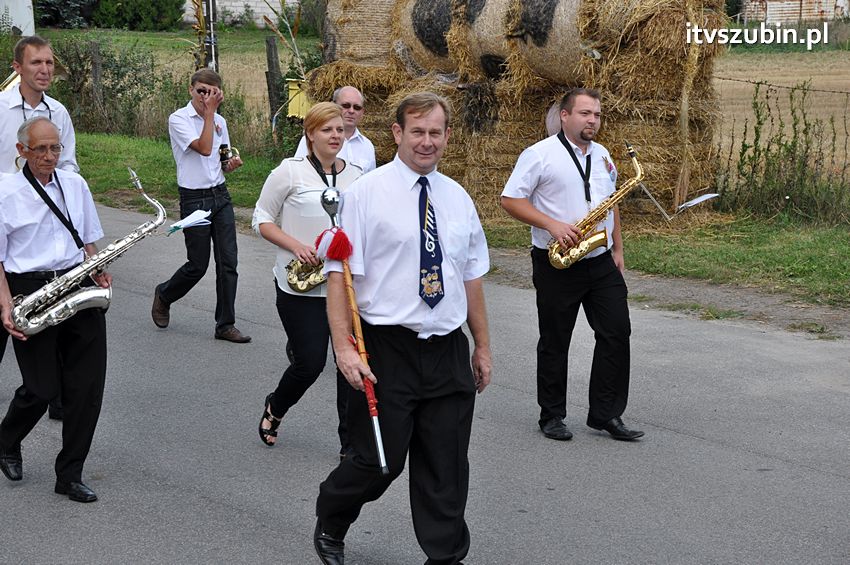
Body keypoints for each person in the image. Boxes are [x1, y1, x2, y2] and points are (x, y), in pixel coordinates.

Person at [313, 92, 492, 565]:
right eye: (418, 131)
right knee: (378, 460)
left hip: (446, 348)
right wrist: (344, 349)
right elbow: (339, 276)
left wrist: (483, 347)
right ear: (397, 133)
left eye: (436, 132)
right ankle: (332, 516)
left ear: (447, 136)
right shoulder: (366, 195)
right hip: (385, 349)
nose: (427, 142)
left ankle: (445, 556)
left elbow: (470, 276)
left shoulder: (458, 199)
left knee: (446, 465)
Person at [501, 88, 644, 442]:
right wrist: (552, 224)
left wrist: (616, 249)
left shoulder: (604, 155)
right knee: (556, 339)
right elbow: (509, 199)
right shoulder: (539, 155)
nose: (592, 120)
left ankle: (607, 415)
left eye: (596, 114)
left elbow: (611, 204)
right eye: (584, 113)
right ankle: (551, 414)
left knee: (616, 332)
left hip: (599, 258)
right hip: (556, 262)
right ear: (564, 116)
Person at [0, 117, 110, 502]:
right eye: (41, 149)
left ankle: (70, 474)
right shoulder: (5, 192)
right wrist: (5, 305)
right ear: (21, 151)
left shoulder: (75, 185)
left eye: (55, 148)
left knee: (87, 388)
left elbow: (87, 239)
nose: (50, 156)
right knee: (42, 387)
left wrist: (97, 268)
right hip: (29, 290)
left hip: (76, 283)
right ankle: (7, 439)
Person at [252, 102, 362, 455]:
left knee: (350, 364)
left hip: (343, 287)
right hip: (299, 286)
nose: (335, 136)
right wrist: (297, 246)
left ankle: (350, 443)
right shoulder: (289, 172)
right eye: (327, 129)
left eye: (340, 130)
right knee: (310, 362)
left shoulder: (358, 175)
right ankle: (276, 406)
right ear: (311, 134)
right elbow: (261, 219)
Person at [0, 35, 78, 420]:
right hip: (6, 224)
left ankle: (53, 396)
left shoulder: (58, 112)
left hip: (44, 229)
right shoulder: (0, 109)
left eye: (49, 63)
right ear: (17, 68)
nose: (45, 70)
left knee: (53, 318)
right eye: (36, 64)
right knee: (5, 324)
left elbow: (69, 168)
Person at [151, 69, 251, 343]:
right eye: (201, 91)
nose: (206, 97)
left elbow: (219, 157)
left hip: (220, 195)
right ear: (190, 90)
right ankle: (165, 293)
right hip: (194, 199)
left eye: (212, 92)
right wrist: (209, 115)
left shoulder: (220, 121)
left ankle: (225, 324)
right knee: (198, 265)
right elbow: (203, 148)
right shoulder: (179, 119)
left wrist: (230, 165)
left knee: (228, 262)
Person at [293, 86, 376, 173]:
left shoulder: (367, 146)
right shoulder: (313, 141)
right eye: (346, 105)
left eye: (357, 107)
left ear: (362, 112)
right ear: (334, 105)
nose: (351, 111)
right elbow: (297, 173)